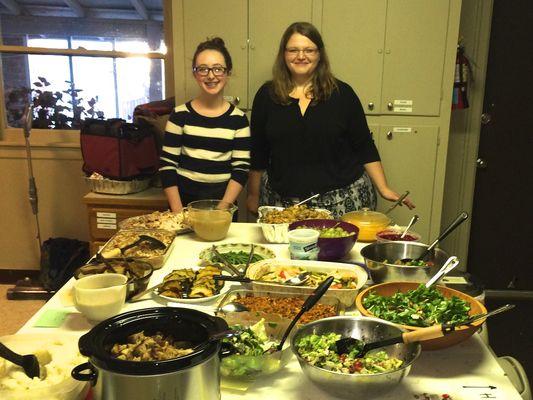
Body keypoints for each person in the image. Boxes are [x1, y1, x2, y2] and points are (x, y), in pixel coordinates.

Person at [247, 22, 414, 218]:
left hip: (343, 201)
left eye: (309, 50)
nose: (301, 56)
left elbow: (364, 146)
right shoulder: (267, 95)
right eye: (293, 50)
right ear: (283, 54)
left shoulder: (342, 94)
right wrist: (253, 194)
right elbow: (258, 151)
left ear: (319, 54)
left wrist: (383, 188)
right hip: (282, 205)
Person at [159, 37, 250, 213]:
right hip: (182, 205)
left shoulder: (239, 120)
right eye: (203, 69)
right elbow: (167, 165)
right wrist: (178, 214)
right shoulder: (179, 116)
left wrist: (220, 211)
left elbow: (241, 169)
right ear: (195, 73)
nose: (210, 76)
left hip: (223, 207)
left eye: (218, 69)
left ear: (228, 73)